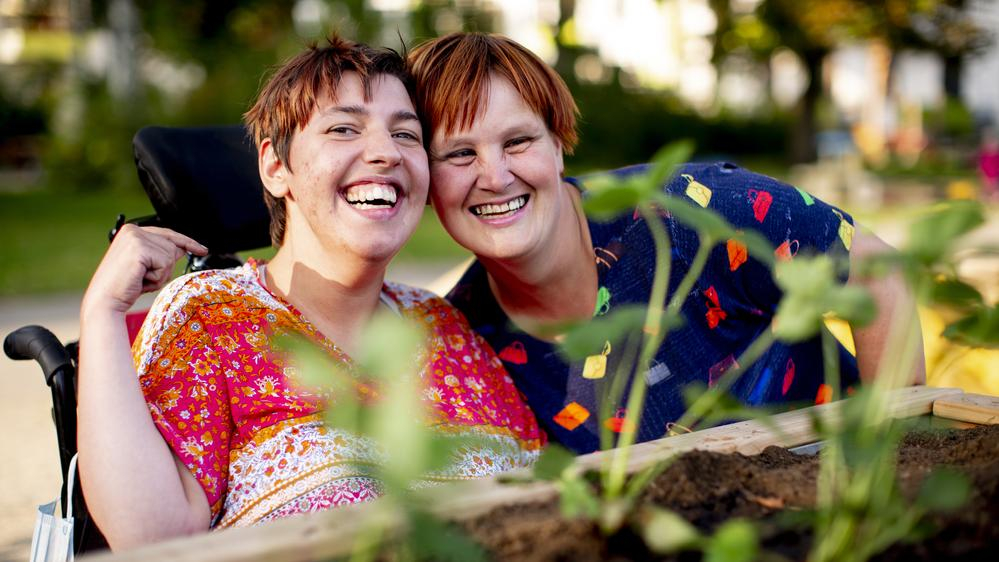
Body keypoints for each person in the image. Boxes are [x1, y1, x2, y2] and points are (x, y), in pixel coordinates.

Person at [77, 36, 543, 550]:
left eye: (405, 134)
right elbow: (150, 535)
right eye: (344, 128)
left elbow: (544, 496)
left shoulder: (442, 324)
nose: (386, 152)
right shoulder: (208, 318)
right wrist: (102, 311)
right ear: (276, 167)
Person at [407, 32, 926, 455]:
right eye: (459, 154)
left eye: (518, 141)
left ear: (558, 144)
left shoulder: (692, 212)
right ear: (425, 179)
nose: (495, 176)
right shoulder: (464, 344)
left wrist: (893, 460)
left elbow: (873, 266)